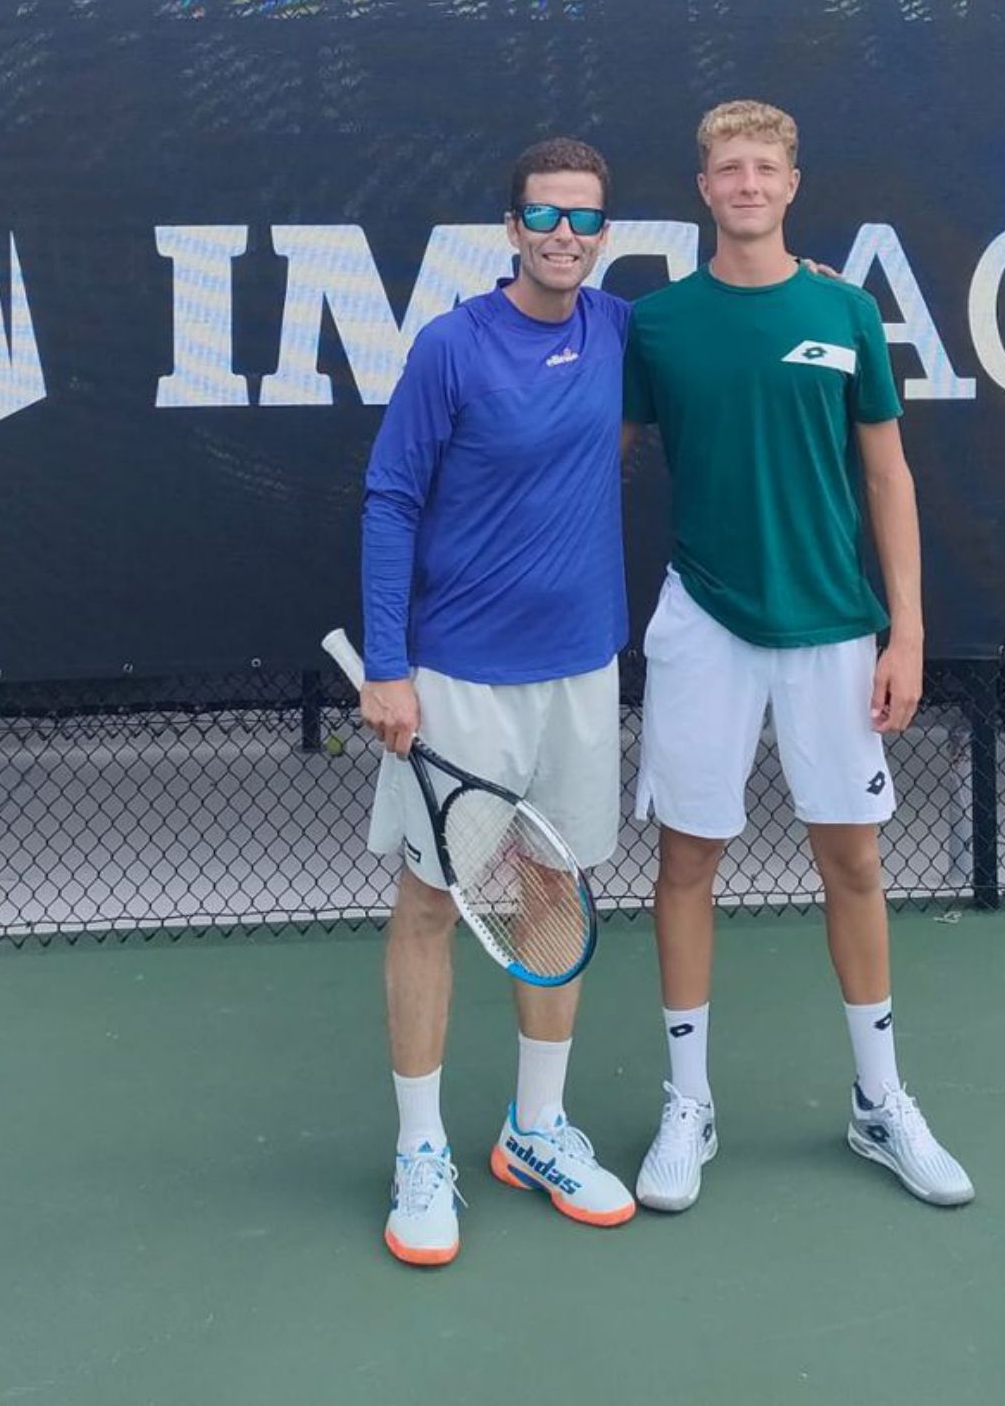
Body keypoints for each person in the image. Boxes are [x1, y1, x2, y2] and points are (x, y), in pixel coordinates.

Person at [622, 100, 974, 1213]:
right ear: (703, 187)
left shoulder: (845, 309)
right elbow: (593, 457)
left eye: (763, 167)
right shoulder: (657, 325)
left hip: (833, 628)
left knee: (853, 861)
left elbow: (888, 478)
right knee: (687, 861)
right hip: (703, 623)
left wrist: (904, 630)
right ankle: (688, 1103)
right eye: (726, 167)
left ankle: (878, 1102)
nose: (745, 184)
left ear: (791, 182)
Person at [358, 137, 636, 1267]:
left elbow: (731, 320)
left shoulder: (621, 330)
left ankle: (534, 1131)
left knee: (552, 883)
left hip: (581, 672)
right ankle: (420, 1148)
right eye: (544, 215)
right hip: (460, 679)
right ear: (510, 226)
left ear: (601, 233)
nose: (565, 235)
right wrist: (389, 666)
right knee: (430, 903)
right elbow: (388, 498)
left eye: (584, 219)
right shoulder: (450, 348)